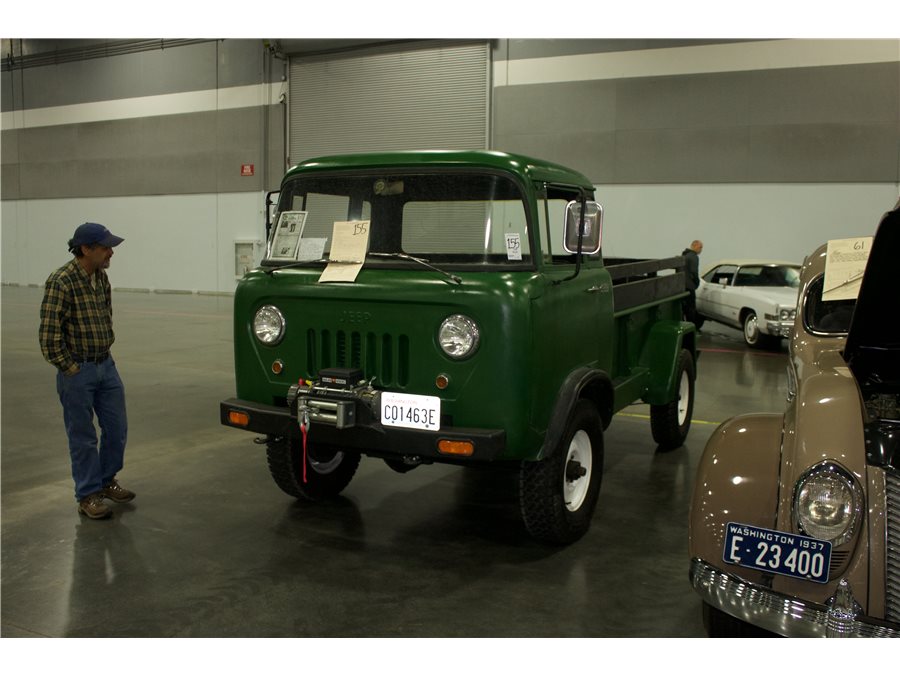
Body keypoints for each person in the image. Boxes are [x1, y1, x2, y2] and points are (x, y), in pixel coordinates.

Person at [39, 222, 134, 520]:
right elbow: (49, 335)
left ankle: (106, 481)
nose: (111, 253)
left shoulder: (101, 278)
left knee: (117, 429)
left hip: (106, 365)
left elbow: (105, 317)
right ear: (86, 249)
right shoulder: (61, 281)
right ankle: (88, 494)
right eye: (105, 247)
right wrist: (70, 368)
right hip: (77, 371)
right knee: (82, 437)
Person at [682, 239, 704, 330]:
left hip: (682, 286)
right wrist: (697, 282)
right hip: (689, 286)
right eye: (700, 247)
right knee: (691, 308)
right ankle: (691, 328)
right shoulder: (693, 257)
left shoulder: (684, 255)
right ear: (694, 246)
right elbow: (694, 272)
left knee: (683, 308)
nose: (701, 250)